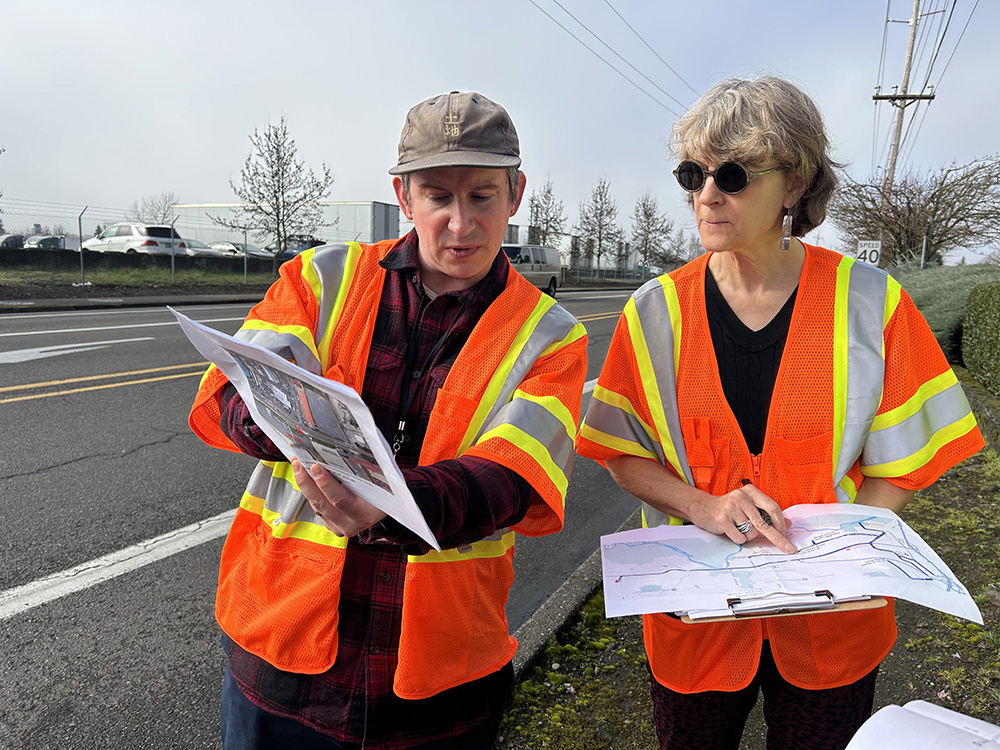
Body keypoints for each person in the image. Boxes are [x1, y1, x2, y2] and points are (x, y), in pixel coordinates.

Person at [576, 76, 984, 750]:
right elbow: (621, 452)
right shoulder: (656, 310)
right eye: (692, 173)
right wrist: (702, 507)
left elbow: (905, 462)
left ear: (794, 184)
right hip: (697, 621)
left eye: (732, 175)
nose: (706, 194)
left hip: (833, 624)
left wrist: (836, 553)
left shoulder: (871, 304)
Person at [188, 90, 588, 749]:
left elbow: (513, 479)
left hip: (437, 687)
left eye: (482, 196)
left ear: (516, 196)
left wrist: (391, 505)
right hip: (282, 658)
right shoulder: (322, 276)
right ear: (404, 197)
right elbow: (232, 389)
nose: (460, 224)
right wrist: (283, 427)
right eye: (438, 196)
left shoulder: (549, 334)